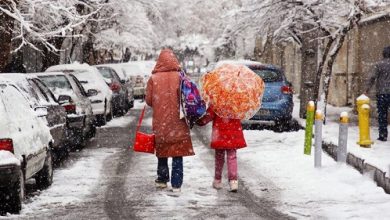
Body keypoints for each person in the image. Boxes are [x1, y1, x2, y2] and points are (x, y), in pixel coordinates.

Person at [145, 49, 194, 192]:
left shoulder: (153, 79)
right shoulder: (181, 76)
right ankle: (177, 184)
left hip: (161, 122)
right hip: (179, 121)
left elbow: (149, 101)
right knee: (177, 151)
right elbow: (188, 97)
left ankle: (162, 179)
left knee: (162, 149)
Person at [196, 106, 247, 192]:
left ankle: (217, 180)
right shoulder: (237, 101)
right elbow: (242, 114)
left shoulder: (217, 101)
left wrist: (199, 121)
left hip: (219, 134)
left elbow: (209, 116)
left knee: (219, 158)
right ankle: (233, 181)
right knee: (232, 157)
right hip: (233, 133)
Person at [366, 46, 390, 142]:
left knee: (382, 114)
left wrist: (367, 88)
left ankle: (383, 135)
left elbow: (372, 77)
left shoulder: (379, 65)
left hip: (382, 93)